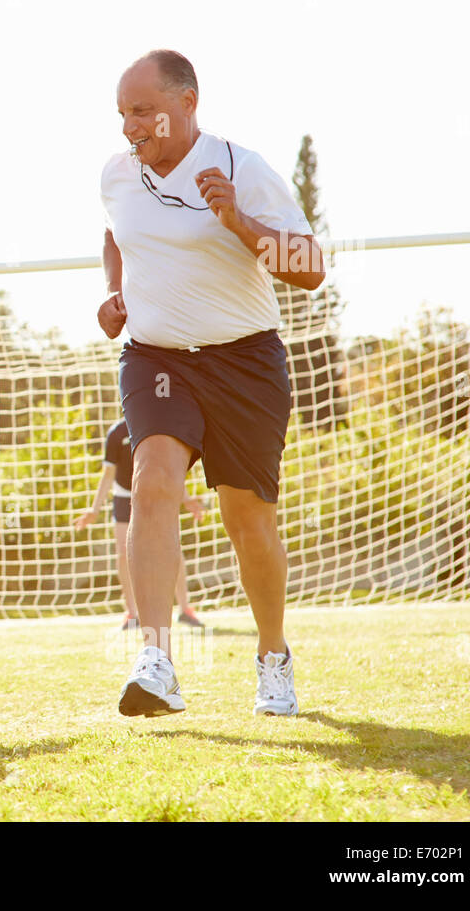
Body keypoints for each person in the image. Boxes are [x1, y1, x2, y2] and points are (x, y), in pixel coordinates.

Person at [98, 50, 324, 717]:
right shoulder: (116, 174)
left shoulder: (242, 170)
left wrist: (239, 224)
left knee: (246, 519)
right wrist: (113, 293)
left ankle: (273, 658)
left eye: (143, 111)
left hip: (244, 361)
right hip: (157, 358)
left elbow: (310, 268)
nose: (130, 127)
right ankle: (157, 661)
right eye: (122, 114)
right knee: (154, 478)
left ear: (187, 102)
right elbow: (115, 236)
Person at [73, 419, 205, 630]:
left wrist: (186, 498)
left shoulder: (157, 426)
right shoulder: (116, 433)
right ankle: (132, 613)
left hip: (155, 493)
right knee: (124, 552)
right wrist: (94, 509)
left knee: (169, 547)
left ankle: (184, 609)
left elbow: (171, 468)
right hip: (125, 496)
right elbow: (108, 475)